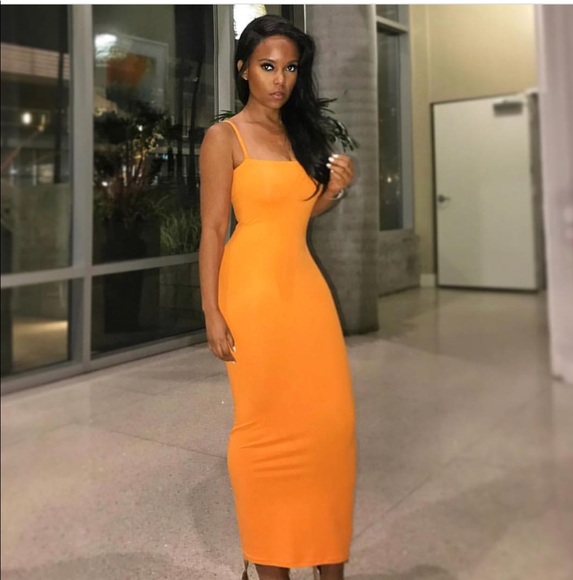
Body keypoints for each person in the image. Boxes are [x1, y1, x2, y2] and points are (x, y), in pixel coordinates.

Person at [199, 14, 356, 580]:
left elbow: (295, 216)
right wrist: (211, 311)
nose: (279, 79)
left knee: (332, 427)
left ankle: (327, 563)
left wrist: (333, 191)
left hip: (305, 292)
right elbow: (214, 228)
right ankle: (270, 562)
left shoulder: (302, 134)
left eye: (290, 68)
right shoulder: (224, 137)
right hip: (251, 295)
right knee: (264, 428)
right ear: (243, 68)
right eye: (268, 66)